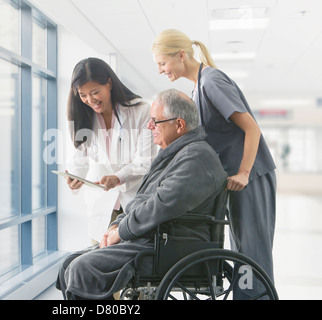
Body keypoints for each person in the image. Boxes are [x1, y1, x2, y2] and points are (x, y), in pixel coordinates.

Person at [56, 89, 228, 300]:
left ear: (179, 125)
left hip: (170, 243)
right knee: (68, 264)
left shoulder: (196, 159)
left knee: (82, 268)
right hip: (154, 237)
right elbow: (142, 199)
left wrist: (122, 231)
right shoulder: (175, 155)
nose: (149, 126)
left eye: (155, 121)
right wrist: (116, 225)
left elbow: (160, 205)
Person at [152, 29, 277, 299]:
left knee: (252, 252)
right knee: (243, 250)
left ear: (181, 55)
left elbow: (251, 129)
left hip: (251, 175)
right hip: (236, 179)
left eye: (162, 63)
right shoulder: (198, 86)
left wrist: (243, 173)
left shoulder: (211, 81)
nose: (161, 70)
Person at [65, 57, 157, 244]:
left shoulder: (140, 110)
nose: (90, 100)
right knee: (97, 260)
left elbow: (146, 161)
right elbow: (79, 159)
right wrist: (74, 176)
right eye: (83, 95)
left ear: (109, 83)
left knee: (128, 263)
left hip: (133, 200)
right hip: (101, 204)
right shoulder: (82, 115)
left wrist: (118, 177)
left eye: (95, 92)